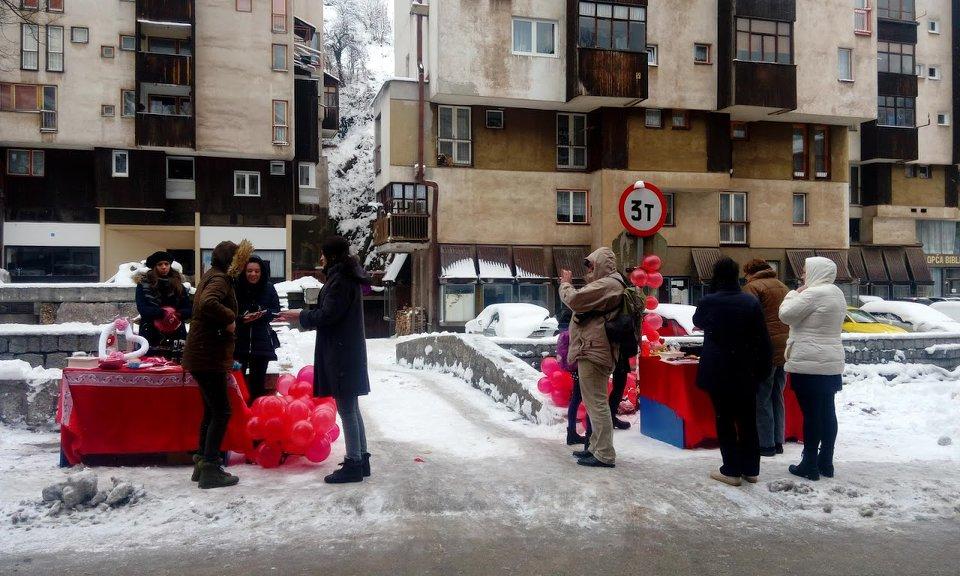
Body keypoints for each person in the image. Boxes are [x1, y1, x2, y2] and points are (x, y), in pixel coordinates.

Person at [279, 236, 372, 484]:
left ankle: (354, 463)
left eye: (322, 253)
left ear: (330, 256)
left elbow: (329, 314)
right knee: (351, 407)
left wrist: (300, 315)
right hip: (346, 350)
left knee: (346, 409)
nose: (320, 258)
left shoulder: (340, 280)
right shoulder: (344, 277)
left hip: (341, 352)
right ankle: (361, 459)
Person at [693, 257, 772, 486]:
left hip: (718, 372)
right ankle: (751, 469)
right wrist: (763, 368)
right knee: (748, 420)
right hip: (746, 371)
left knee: (725, 420)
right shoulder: (750, 302)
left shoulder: (710, 301)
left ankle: (731, 470)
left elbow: (698, 320)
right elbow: (762, 338)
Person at [182, 240, 244, 490]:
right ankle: (210, 467)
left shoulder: (212, 275)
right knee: (222, 411)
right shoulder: (220, 280)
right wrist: (229, 318)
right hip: (208, 355)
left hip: (202, 354)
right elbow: (209, 303)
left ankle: (202, 464)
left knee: (211, 410)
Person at [778, 256, 846, 481]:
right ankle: (826, 461)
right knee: (827, 412)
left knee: (811, 414)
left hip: (808, 361)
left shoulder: (812, 293)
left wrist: (792, 293)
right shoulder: (837, 293)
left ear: (816, 272)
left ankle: (809, 463)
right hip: (830, 361)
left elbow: (785, 315)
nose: (803, 275)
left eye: (806, 271)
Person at [559, 247, 625, 468]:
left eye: (591, 265)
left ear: (601, 264)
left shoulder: (609, 284)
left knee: (596, 403)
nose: (588, 269)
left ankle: (604, 453)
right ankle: (596, 448)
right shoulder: (609, 283)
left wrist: (565, 283)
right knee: (593, 402)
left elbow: (575, 300)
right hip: (593, 347)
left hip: (595, 349)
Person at [742, 259, 790, 457]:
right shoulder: (783, 286)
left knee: (761, 396)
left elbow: (748, 319)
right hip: (785, 346)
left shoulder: (752, 288)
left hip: (764, 347)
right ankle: (778, 440)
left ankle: (765, 443)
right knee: (777, 394)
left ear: (750, 272)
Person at [234, 256, 281, 403]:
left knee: (257, 385)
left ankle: (255, 416)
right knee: (237, 384)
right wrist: (242, 317)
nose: (253, 274)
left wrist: (263, 313)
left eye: (256, 271)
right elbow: (229, 311)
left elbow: (276, 311)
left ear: (262, 272)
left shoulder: (268, 288)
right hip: (239, 342)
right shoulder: (236, 287)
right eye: (249, 271)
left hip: (261, 343)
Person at [135, 251, 192, 351]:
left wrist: (178, 314)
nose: (164, 267)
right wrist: (163, 313)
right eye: (160, 264)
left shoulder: (178, 285)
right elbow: (142, 308)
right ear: (154, 267)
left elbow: (188, 308)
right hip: (151, 331)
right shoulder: (143, 286)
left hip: (176, 331)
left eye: (166, 264)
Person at [556, 307, 591, 446]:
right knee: (587, 400)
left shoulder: (562, 333)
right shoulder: (572, 332)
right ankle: (586, 434)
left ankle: (571, 432)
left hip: (573, 369)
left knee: (575, 400)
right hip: (580, 368)